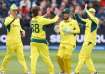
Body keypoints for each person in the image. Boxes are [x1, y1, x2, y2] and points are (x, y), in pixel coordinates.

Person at [0, 4, 29, 74]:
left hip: (18, 42)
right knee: (8, 57)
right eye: (14, 10)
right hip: (11, 42)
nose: (15, 12)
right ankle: (1, 70)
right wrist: (14, 18)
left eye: (16, 10)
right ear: (10, 11)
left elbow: (19, 28)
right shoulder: (8, 19)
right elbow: (6, 24)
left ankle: (26, 71)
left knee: (22, 58)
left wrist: (22, 31)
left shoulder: (17, 20)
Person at [30, 6, 60, 74]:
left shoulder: (32, 19)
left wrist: (46, 14)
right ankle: (51, 72)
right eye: (40, 10)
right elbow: (53, 20)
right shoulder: (41, 20)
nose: (41, 11)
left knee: (33, 59)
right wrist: (57, 15)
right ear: (37, 12)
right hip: (41, 42)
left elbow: (39, 19)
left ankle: (33, 72)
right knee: (46, 58)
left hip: (33, 41)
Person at [74, 4, 99, 74]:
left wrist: (86, 10)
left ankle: (76, 72)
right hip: (88, 41)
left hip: (89, 41)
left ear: (94, 13)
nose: (90, 13)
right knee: (87, 57)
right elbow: (80, 20)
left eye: (92, 12)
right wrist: (76, 14)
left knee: (82, 56)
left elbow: (91, 17)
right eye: (90, 12)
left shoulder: (95, 20)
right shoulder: (88, 21)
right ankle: (93, 71)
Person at [57, 8, 80, 74]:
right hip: (62, 43)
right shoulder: (61, 23)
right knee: (59, 57)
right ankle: (63, 71)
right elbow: (60, 31)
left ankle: (69, 72)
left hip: (70, 43)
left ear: (69, 14)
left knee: (66, 57)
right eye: (64, 13)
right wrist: (57, 30)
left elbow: (78, 30)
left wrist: (70, 31)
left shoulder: (74, 22)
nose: (65, 15)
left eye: (66, 13)